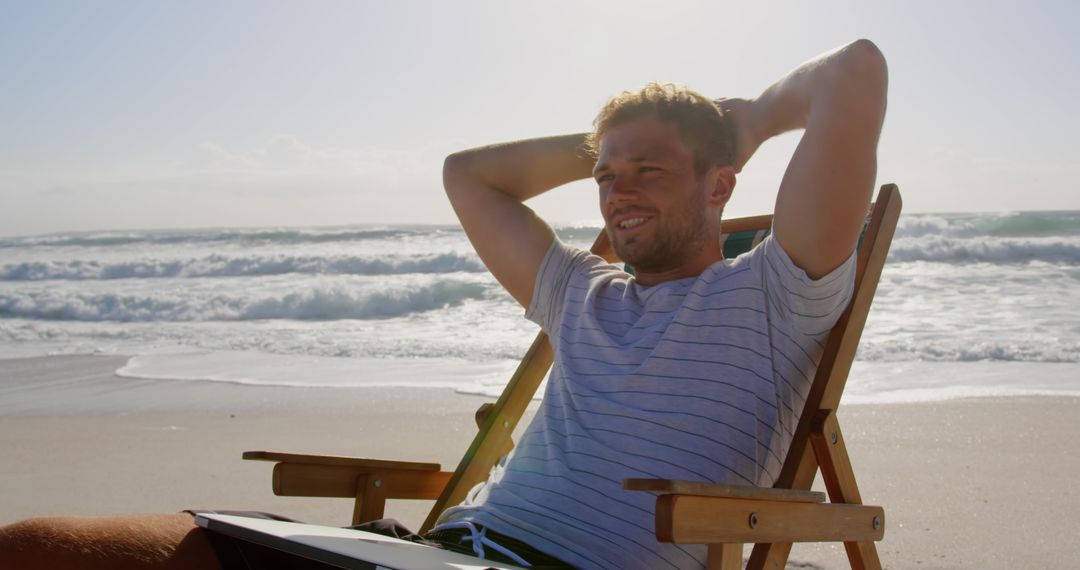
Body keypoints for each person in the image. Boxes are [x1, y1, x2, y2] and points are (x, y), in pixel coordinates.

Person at [0, 39, 887, 569]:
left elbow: (856, 69)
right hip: (427, 554)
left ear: (720, 184)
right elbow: (468, 174)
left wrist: (747, 118)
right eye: (606, 176)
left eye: (649, 171)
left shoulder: (776, 290)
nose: (617, 193)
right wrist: (614, 147)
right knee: (35, 548)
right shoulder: (578, 290)